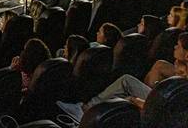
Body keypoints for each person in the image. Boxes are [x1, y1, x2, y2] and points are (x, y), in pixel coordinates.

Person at [57, 31, 188, 122]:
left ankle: (85, 110)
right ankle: (87, 109)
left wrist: (138, 101)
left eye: (178, 45)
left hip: (164, 108)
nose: (174, 46)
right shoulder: (180, 68)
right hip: (162, 101)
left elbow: (174, 107)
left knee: (126, 91)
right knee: (126, 82)